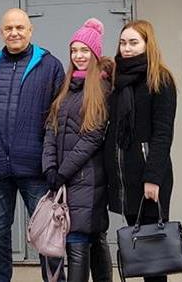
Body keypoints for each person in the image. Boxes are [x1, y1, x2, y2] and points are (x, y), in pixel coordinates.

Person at [0, 8, 65, 282]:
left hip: (36, 167)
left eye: (20, 27)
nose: (14, 33)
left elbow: (57, 119)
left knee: (48, 232)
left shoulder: (50, 66)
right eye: (9, 28)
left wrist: (52, 162)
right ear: (1, 32)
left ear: (30, 30)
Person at [104, 20, 177, 282]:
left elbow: (163, 133)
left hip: (149, 177)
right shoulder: (118, 81)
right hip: (126, 178)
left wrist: (153, 178)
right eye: (123, 43)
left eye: (134, 42)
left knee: (153, 253)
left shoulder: (161, 79)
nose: (127, 48)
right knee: (140, 249)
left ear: (148, 44)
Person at [42, 18, 114, 282]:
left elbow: (92, 137)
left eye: (84, 50)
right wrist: (50, 167)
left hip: (86, 179)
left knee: (78, 239)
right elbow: (51, 129)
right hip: (63, 179)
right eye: (74, 50)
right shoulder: (67, 86)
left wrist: (63, 172)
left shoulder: (101, 87)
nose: (78, 56)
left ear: (95, 53)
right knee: (88, 237)